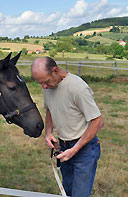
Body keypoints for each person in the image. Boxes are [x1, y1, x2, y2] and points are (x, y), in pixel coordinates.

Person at [31, 57, 104, 197]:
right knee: (67, 192)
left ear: (55, 70)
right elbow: (50, 110)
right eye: (40, 83)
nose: (44, 87)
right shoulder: (48, 86)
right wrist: (48, 132)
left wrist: (74, 150)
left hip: (84, 150)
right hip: (63, 148)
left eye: (45, 82)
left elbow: (98, 121)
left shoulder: (78, 88)